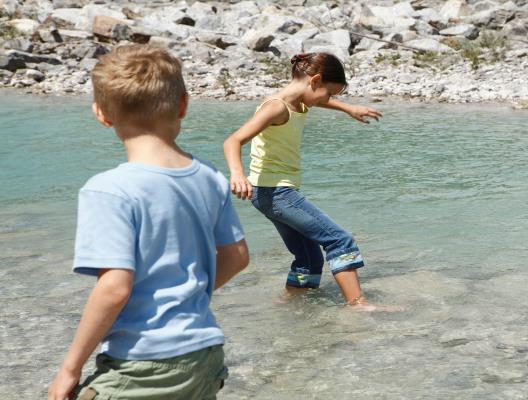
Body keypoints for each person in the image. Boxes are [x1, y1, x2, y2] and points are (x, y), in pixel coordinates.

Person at [48, 44, 249, 400]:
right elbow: (237, 257)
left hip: (143, 362)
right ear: (184, 105)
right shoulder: (209, 177)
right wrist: (187, 296)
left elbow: (114, 289)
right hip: (204, 353)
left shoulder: (108, 190)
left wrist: (70, 368)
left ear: (101, 114)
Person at [223, 52, 381, 310]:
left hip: (268, 194)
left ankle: (289, 305)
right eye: (330, 93)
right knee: (339, 241)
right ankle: (358, 303)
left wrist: (349, 108)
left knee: (308, 257)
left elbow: (318, 101)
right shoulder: (276, 107)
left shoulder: (299, 101)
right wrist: (238, 174)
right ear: (315, 80)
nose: (330, 99)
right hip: (277, 193)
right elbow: (232, 141)